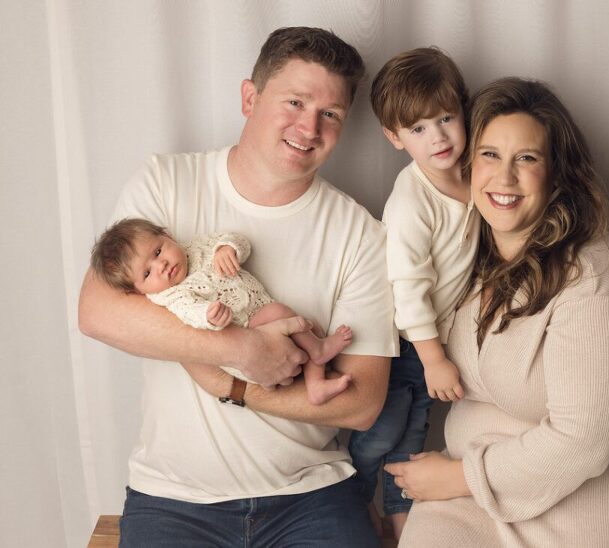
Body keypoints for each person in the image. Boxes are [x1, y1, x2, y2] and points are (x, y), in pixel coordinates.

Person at [78, 27, 398, 547]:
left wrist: (233, 387)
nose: (309, 126)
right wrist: (238, 348)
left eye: (330, 114)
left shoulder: (360, 233)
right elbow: (97, 311)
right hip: (172, 498)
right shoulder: (165, 183)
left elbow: (361, 404)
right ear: (250, 97)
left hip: (311, 495)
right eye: (294, 101)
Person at [385, 77, 609, 547]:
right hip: (473, 500)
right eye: (490, 154)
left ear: (558, 173)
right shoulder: (468, 257)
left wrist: (456, 478)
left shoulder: (595, 275)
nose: (504, 178)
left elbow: (582, 442)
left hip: (585, 507)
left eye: (526, 158)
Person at [347, 47, 480, 539]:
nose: (438, 137)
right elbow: (408, 289)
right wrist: (433, 359)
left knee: (416, 431)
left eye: (446, 118)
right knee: (383, 429)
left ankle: (401, 515)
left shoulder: (476, 179)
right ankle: (355, 494)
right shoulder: (411, 199)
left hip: (433, 342)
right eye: (418, 129)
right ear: (394, 138)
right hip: (403, 339)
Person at [90, 218, 353, 405]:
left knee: (311, 327)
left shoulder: (198, 248)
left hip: (258, 313)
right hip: (249, 330)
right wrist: (209, 315)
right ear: (140, 291)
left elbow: (236, 240)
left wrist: (228, 249)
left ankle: (316, 386)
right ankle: (319, 352)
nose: (161, 265)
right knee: (283, 314)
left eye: (158, 251)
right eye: (147, 273)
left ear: (167, 235)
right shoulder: (170, 295)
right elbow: (188, 313)